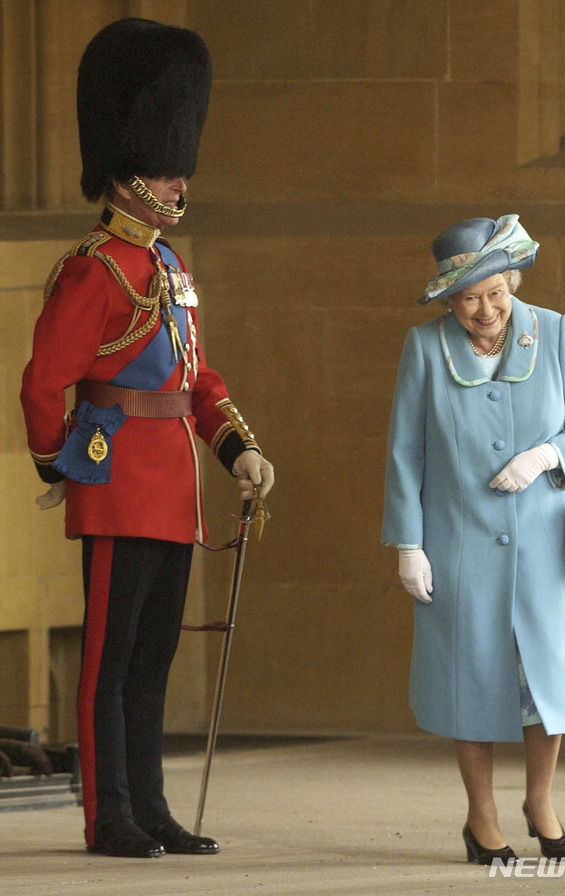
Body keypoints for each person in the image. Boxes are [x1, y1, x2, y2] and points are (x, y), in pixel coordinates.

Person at [21, 19, 274, 859]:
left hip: (174, 490)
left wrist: (238, 451)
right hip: (115, 482)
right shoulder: (95, 270)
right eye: (166, 168)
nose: (178, 180)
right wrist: (56, 460)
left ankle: (151, 807)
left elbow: (198, 382)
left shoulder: (170, 271)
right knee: (108, 661)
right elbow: (42, 380)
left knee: (154, 657)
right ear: (128, 177)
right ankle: (108, 815)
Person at [382, 215, 565, 865]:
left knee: (545, 685)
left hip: (541, 545)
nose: (483, 310)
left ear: (511, 280)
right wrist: (407, 542)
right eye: (466, 298)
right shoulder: (424, 348)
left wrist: (543, 457)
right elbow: (404, 453)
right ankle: (480, 819)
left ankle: (540, 802)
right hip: (456, 544)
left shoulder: (556, 332)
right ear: (447, 299)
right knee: (469, 681)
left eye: (494, 293)